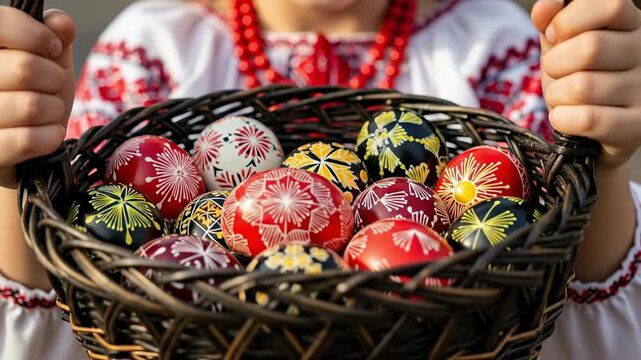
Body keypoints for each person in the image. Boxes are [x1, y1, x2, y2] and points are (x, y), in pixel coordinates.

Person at [0, 0, 639, 358]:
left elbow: (560, 313)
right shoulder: (153, 52)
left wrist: (600, 161)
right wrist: (15, 177)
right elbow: (76, 314)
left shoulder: (500, 49)